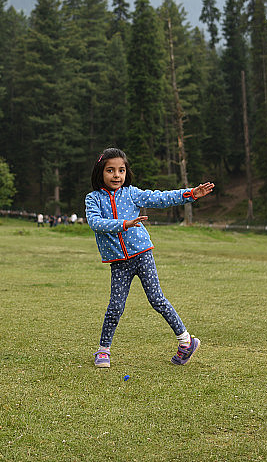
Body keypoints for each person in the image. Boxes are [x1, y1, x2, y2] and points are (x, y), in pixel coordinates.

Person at [84, 147, 214, 368]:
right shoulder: (93, 199)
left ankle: (186, 342)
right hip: (119, 262)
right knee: (115, 306)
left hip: (143, 255)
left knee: (157, 299)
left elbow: (161, 198)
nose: (117, 175)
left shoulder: (132, 193)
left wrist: (190, 194)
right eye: (110, 170)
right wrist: (124, 224)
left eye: (121, 170)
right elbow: (95, 223)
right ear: (100, 173)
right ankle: (103, 350)